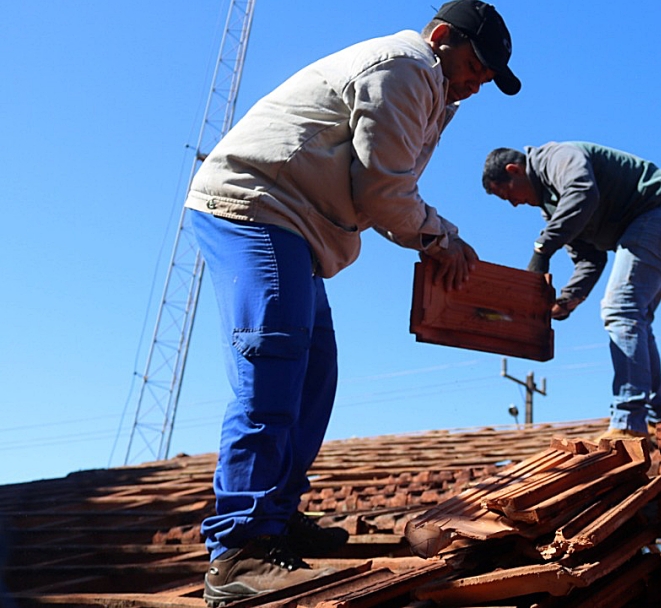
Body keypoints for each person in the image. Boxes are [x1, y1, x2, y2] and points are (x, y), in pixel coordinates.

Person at [185, 1, 519, 604]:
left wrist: (430, 229)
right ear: (442, 38)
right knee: (275, 367)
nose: (476, 83)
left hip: (299, 227)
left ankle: (277, 519)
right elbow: (385, 192)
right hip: (257, 206)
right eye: (473, 66)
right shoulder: (408, 68)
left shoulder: (435, 91)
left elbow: (389, 188)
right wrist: (441, 238)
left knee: (315, 376)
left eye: (485, 79)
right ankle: (239, 551)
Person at [482, 142, 661, 441]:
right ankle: (654, 421)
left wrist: (542, 248)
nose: (514, 204)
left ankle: (629, 420)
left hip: (658, 214)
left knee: (620, 309)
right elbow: (589, 259)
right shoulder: (551, 206)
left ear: (514, 171)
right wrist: (565, 302)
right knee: (635, 317)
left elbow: (582, 192)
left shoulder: (555, 157)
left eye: (508, 196)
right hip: (660, 224)